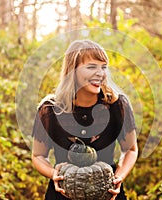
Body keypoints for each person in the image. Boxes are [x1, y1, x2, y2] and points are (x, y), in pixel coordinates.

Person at [31, 39, 138, 200]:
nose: (100, 73)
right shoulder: (50, 110)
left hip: (108, 195)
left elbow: (131, 149)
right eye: (91, 67)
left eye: (103, 67)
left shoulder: (117, 105)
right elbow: (38, 156)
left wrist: (119, 177)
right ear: (72, 71)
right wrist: (54, 174)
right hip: (62, 195)